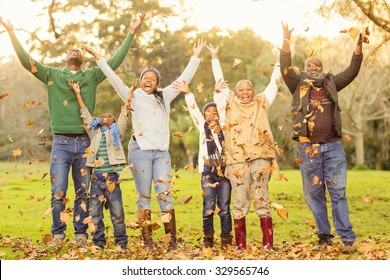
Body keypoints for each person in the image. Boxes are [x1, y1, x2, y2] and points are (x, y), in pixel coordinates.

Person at [0, 13, 145, 247]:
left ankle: (80, 235)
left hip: (86, 144)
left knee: (81, 192)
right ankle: (58, 235)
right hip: (61, 143)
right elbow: (27, 61)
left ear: (82, 60)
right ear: (65, 58)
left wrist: (131, 32)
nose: (74, 51)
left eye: (78, 50)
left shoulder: (91, 76)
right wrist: (10, 32)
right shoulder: (52, 74)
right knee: (58, 190)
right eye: (70, 50)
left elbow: (114, 63)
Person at [91, 39, 206, 250]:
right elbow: (114, 78)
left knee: (165, 195)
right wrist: (99, 59)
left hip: (161, 154)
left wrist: (196, 56)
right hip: (140, 152)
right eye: (146, 77)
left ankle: (171, 241)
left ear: (157, 83)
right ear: (141, 80)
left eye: (153, 78)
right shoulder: (132, 96)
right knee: (144, 198)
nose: (149, 80)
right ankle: (148, 242)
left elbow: (183, 79)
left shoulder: (165, 96)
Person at [279, 22, 365, 254]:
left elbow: (352, 71)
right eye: (310, 65)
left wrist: (357, 47)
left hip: (333, 149)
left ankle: (347, 240)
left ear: (323, 69)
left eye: (318, 65)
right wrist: (286, 43)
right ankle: (324, 236)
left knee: (338, 193)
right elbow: (285, 67)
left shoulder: (331, 84)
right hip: (307, 150)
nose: (314, 67)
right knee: (314, 194)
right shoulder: (297, 84)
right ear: (304, 69)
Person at [211, 44, 281, 250]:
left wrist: (278, 62)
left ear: (253, 90)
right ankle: (241, 245)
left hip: (260, 157)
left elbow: (273, 84)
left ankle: (268, 244)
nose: (244, 92)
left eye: (248, 89)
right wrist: (214, 57)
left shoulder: (262, 102)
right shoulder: (229, 102)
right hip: (237, 160)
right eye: (240, 89)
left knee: (262, 199)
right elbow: (221, 84)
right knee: (240, 202)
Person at [68, 68, 135, 250]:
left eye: (108, 116)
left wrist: (129, 96)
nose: (105, 116)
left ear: (112, 121)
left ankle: (121, 243)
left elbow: (124, 114)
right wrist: (77, 93)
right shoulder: (95, 131)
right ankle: (99, 243)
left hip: (112, 178)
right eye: (103, 115)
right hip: (96, 179)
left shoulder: (117, 133)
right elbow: (85, 113)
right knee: (95, 214)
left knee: (117, 213)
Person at [179, 79, 233, 249]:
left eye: (214, 111)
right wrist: (188, 94)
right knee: (208, 206)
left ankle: (226, 239)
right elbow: (194, 110)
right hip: (208, 171)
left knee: (224, 207)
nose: (211, 114)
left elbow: (222, 106)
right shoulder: (203, 128)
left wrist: (217, 93)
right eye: (207, 112)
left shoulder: (224, 126)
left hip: (225, 172)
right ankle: (208, 239)